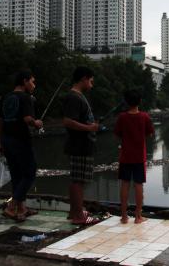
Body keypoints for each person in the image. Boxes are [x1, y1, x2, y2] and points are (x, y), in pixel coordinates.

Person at [0, 70, 43, 221]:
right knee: (30, 173)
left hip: (6, 139)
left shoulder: (6, 97)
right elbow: (27, 119)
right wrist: (36, 123)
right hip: (21, 140)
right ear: (24, 81)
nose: (34, 84)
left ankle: (21, 208)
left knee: (17, 175)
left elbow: (0, 121)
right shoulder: (26, 98)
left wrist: (0, 142)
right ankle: (11, 207)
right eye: (32, 81)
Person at [62, 66, 99, 225]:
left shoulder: (79, 96)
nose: (92, 84)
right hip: (79, 145)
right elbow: (68, 121)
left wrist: (91, 126)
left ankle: (74, 212)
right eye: (90, 81)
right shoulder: (74, 97)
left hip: (83, 144)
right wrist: (89, 128)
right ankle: (78, 216)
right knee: (78, 180)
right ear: (84, 78)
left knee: (79, 179)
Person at [114, 89, 155, 224]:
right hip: (139, 156)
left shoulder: (122, 117)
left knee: (125, 184)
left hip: (125, 156)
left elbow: (118, 134)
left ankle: (124, 216)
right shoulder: (145, 117)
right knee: (138, 185)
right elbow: (150, 134)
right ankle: (138, 216)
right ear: (140, 101)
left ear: (126, 102)